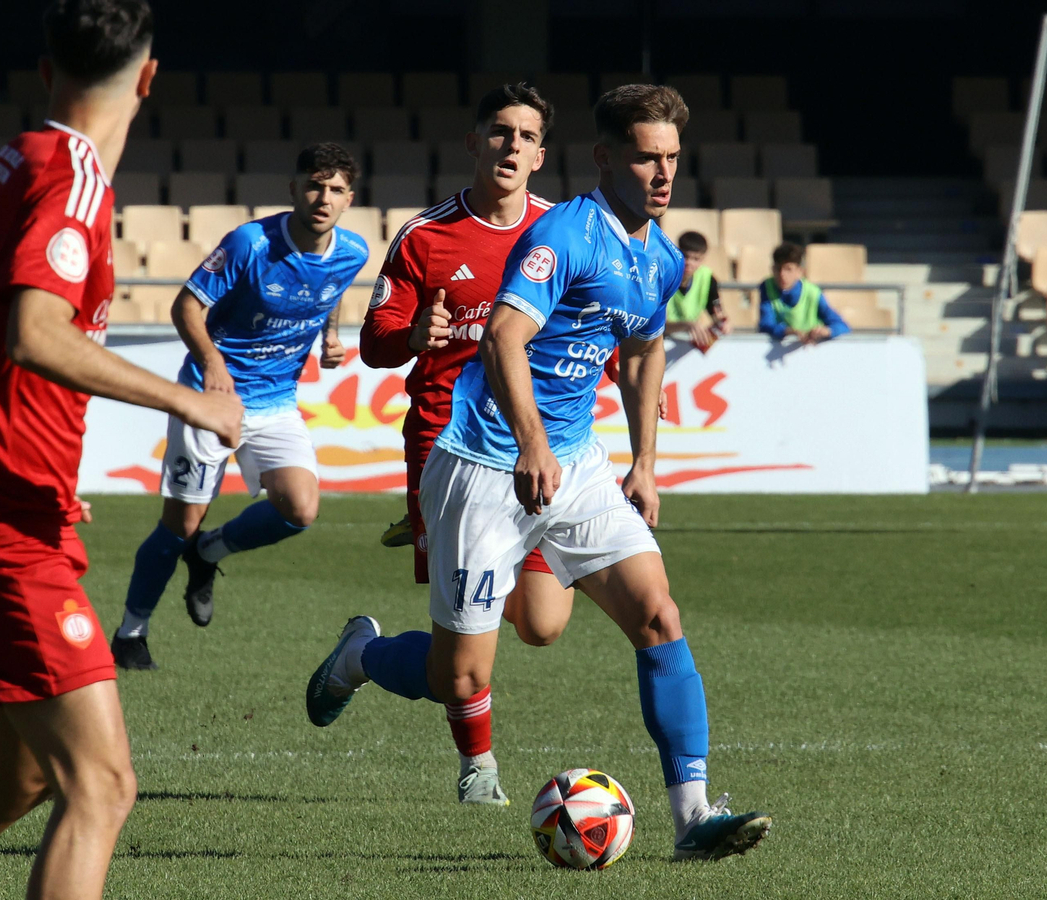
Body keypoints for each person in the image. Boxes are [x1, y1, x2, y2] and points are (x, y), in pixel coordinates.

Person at [306, 83, 772, 861]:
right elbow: (502, 338)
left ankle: (693, 819)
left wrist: (645, 464)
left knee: (657, 615)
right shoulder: (564, 236)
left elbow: (644, 352)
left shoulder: (659, 255)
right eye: (646, 157)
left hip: (576, 465)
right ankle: (360, 656)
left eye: (671, 158)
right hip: (485, 466)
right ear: (604, 159)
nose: (663, 173)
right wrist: (530, 443)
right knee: (459, 678)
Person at [0, 3, 243, 897]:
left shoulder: (25, 157)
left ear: (44, 70)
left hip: (1, 496)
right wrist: (190, 399)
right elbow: (34, 332)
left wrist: (38, 468)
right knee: (101, 787)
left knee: (20, 775)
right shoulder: (72, 177)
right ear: (149, 78)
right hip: (1, 515)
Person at [357, 84, 574, 806]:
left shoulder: (562, 232)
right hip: (447, 448)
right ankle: (478, 766)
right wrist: (412, 335)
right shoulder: (425, 236)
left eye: (526, 136)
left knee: (540, 623)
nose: (512, 145)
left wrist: (627, 376)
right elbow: (374, 342)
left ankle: (364, 656)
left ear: (540, 155)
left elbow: (586, 323)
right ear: (474, 142)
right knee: (463, 659)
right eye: (500, 132)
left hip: (534, 447)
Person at [109, 143, 369, 669]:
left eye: (336, 190)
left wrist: (332, 335)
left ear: (349, 199)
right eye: (314, 185)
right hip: (211, 400)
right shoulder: (250, 243)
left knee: (300, 509)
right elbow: (186, 306)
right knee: (178, 525)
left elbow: (332, 288)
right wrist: (213, 363)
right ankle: (131, 633)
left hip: (276, 401)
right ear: (294, 189)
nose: (324, 198)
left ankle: (209, 552)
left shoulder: (354, 252)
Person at [757, 241, 848, 345]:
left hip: (810, 348)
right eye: (778, 269)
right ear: (772, 269)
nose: (782, 274)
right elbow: (765, 324)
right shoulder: (767, 287)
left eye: (788, 269)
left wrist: (826, 331)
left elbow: (841, 326)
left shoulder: (813, 293)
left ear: (800, 271)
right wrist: (788, 331)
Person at [665, 230, 729, 347]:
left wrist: (723, 323)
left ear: (703, 259)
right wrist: (687, 325)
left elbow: (717, 314)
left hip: (688, 345)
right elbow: (659, 326)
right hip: (661, 342)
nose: (689, 263)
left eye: (696, 259)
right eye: (685, 256)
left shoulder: (707, 278)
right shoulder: (663, 276)